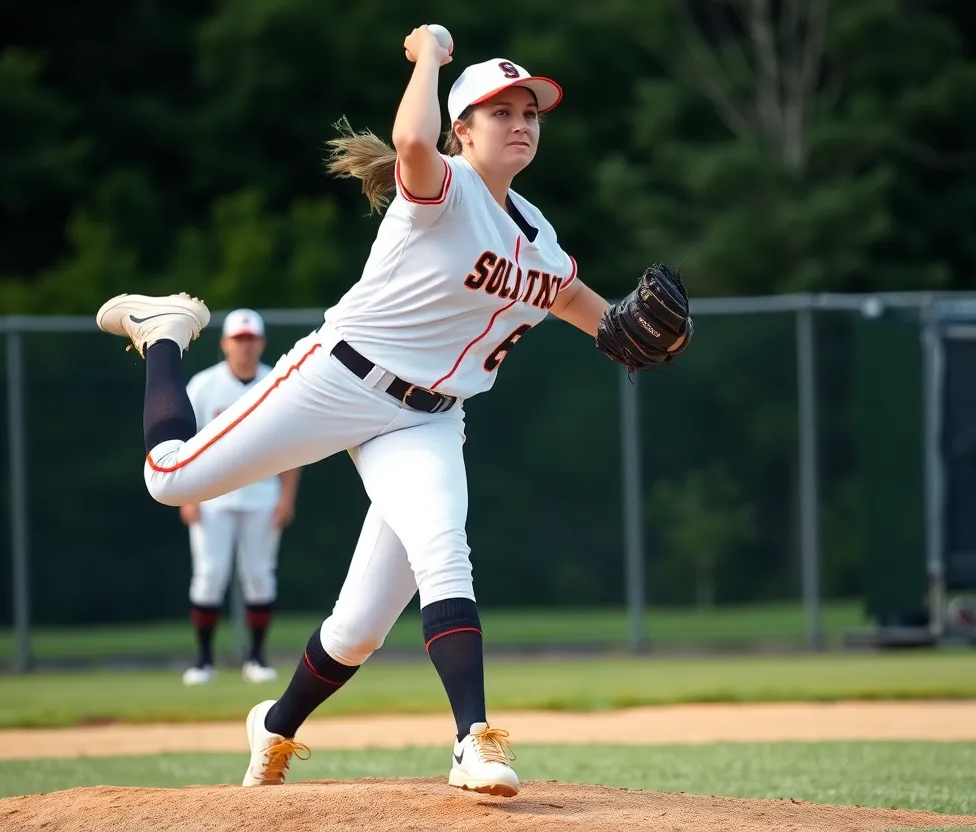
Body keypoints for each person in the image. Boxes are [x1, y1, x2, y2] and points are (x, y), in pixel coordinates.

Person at [94, 26, 691, 799]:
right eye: (499, 110)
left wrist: (631, 333)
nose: (520, 122)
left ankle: (355, 733)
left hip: (428, 421)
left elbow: (587, 309)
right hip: (338, 380)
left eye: (531, 112)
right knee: (170, 479)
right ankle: (166, 331)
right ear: (462, 129)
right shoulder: (443, 187)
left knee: (370, 618)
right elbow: (410, 137)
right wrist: (432, 54)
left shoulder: (541, 239)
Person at [179, 308, 301, 686]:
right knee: (209, 576)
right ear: (225, 343)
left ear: (261, 343)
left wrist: (287, 496)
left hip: (263, 494)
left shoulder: (276, 382)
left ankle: (257, 658)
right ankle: (203, 660)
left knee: (259, 577)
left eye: (250, 340)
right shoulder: (203, 386)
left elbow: (293, 446)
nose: (245, 347)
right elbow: (182, 443)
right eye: (238, 340)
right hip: (212, 497)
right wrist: (187, 495)